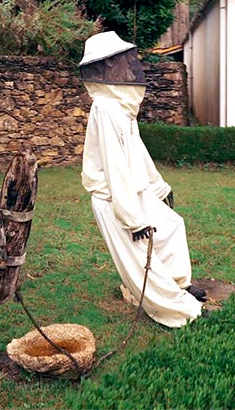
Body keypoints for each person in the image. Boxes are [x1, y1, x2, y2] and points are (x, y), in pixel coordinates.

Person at [79, 31, 205, 328]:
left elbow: (136, 152)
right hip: (115, 200)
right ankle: (180, 311)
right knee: (141, 260)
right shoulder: (106, 108)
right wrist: (133, 220)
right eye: (119, 62)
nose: (127, 67)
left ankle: (178, 286)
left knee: (172, 225)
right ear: (105, 67)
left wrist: (159, 186)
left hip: (134, 192)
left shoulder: (121, 108)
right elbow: (114, 166)